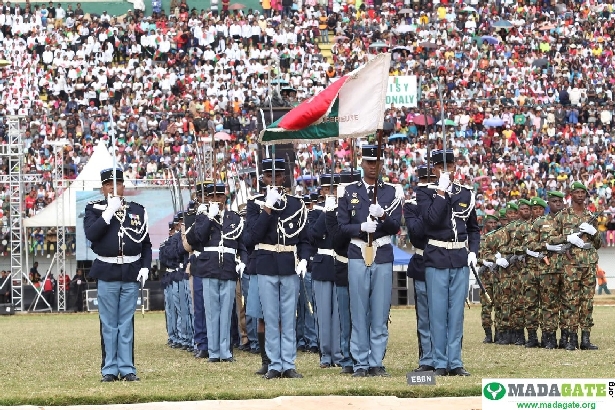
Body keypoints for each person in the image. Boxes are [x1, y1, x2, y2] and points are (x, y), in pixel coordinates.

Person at [337, 145, 403, 377]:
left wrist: (383, 216)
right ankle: (360, 362)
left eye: (377, 162)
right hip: (357, 251)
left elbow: (396, 226)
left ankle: (376, 361)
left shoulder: (391, 192)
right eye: (369, 162)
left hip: (382, 251)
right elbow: (342, 226)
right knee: (358, 310)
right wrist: (360, 227)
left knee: (380, 312)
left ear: (382, 164)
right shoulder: (348, 191)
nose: (373, 167)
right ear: (362, 163)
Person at [83, 168, 151, 382]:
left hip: (130, 270)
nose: (114, 187)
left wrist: (146, 266)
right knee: (109, 324)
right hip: (107, 269)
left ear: (124, 186)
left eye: (118, 183)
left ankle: (127, 368)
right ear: (103, 188)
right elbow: (92, 235)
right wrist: (108, 213)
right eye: (109, 184)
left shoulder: (137, 210)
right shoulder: (93, 209)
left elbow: (146, 243)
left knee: (126, 323)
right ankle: (110, 369)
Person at [417, 149, 479, 376]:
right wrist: (441, 191)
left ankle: (455, 362)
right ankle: (439, 362)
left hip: (459, 258)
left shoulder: (466, 194)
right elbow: (431, 221)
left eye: (449, 166)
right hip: (436, 257)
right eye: (441, 167)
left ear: (455, 167)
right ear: (433, 169)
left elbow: (473, 228)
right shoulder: (425, 193)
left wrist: (473, 251)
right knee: (437, 313)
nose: (446, 170)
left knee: (456, 314)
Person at [246, 158, 310, 379]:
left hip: (289, 264)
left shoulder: (296, 204)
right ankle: (274, 364)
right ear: (262, 178)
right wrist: (267, 208)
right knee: (271, 318)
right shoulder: (255, 203)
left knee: (288, 317)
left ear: (284, 177)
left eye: (278, 175)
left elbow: (304, 238)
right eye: (269, 176)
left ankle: (288, 363)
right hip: (265, 264)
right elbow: (252, 237)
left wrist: (304, 259)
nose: (273, 179)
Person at [186, 183, 246, 362]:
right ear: (208, 199)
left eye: (220, 197)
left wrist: (242, 261)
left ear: (225, 199)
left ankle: (225, 351)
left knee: (226, 311)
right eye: (213, 197)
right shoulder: (203, 217)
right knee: (211, 312)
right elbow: (197, 238)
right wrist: (209, 218)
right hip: (209, 267)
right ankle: (213, 351)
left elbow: (241, 243)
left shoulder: (234, 218)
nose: (217, 200)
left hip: (228, 267)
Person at [551, 182, 601, 351]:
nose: (580, 195)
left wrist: (594, 233)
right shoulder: (562, 216)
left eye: (583, 192)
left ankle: (585, 339)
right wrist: (568, 237)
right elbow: (550, 239)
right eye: (577, 192)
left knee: (587, 302)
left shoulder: (590, 216)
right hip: (570, 265)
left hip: (589, 263)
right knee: (570, 301)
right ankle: (571, 339)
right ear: (571, 194)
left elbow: (599, 244)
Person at [307, 174, 342, 368]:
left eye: (335, 188)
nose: (333, 192)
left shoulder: (343, 210)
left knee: (338, 313)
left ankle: (338, 354)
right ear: (322, 191)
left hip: (339, 262)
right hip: (322, 263)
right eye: (329, 189)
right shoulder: (315, 212)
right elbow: (313, 234)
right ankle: (325, 354)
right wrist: (326, 211)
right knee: (322, 312)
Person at [526, 191, 566, 349]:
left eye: (560, 201)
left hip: (568, 268)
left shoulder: (569, 221)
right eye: (554, 201)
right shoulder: (540, 222)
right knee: (548, 304)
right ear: (548, 204)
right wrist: (546, 246)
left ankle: (566, 337)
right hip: (547, 269)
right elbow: (530, 244)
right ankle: (549, 337)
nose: (557, 203)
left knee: (567, 304)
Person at [404, 165, 434, 370]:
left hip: (444, 261)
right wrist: (428, 208)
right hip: (423, 261)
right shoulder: (412, 205)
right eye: (424, 180)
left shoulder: (447, 201)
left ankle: (445, 357)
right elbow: (415, 233)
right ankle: (427, 359)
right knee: (424, 317)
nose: (427, 184)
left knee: (446, 316)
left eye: (431, 179)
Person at [478, 214, 499, 343]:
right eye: (490, 223)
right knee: (486, 307)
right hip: (485, 278)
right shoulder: (480, 240)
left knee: (499, 306)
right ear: (485, 225)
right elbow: (474, 255)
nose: (493, 225)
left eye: (494, 223)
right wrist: (483, 261)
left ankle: (498, 333)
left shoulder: (499, 238)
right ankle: (488, 334)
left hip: (497, 276)